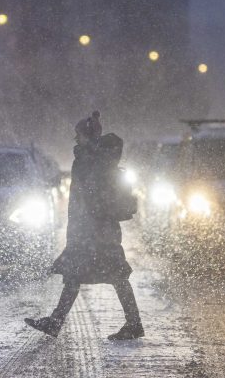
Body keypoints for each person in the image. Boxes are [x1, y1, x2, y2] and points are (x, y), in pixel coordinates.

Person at [25, 111, 143, 340]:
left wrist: (86, 224)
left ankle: (133, 323)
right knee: (80, 275)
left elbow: (92, 196)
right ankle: (56, 321)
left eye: (78, 135)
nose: (75, 140)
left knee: (109, 275)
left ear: (87, 137)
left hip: (94, 230)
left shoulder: (91, 161)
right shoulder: (95, 159)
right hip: (95, 229)